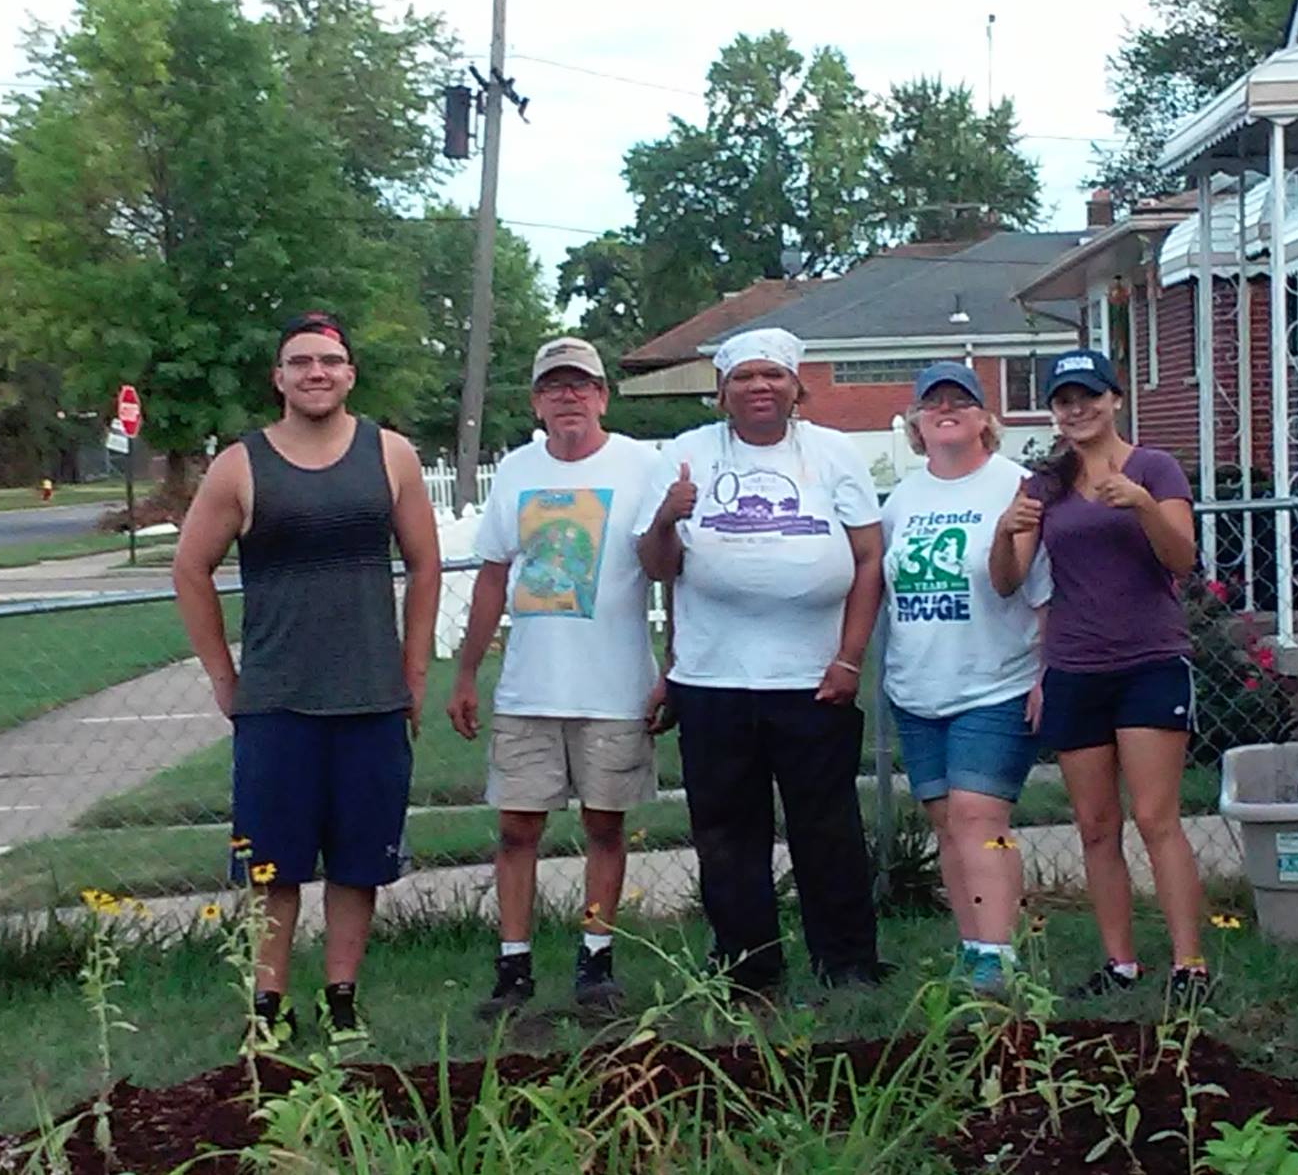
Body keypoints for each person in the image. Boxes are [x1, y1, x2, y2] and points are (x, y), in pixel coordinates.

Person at [172, 310, 442, 1043]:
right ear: (279, 377)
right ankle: (268, 1006)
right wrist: (226, 679)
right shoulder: (241, 464)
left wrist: (413, 671)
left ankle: (342, 998)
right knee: (274, 866)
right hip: (278, 701)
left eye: (329, 360)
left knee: (359, 861)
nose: (315, 373)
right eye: (300, 362)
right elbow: (189, 570)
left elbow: (425, 565)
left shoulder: (391, 456)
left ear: (351, 373)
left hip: (371, 697)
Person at [635, 327, 884, 994]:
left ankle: (848, 965)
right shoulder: (687, 455)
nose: (759, 388)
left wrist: (850, 659)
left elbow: (868, 559)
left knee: (827, 830)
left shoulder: (832, 455)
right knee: (726, 834)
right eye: (743, 377)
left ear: (796, 386)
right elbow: (658, 566)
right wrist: (665, 518)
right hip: (713, 680)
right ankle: (747, 966)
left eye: (772, 375)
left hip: (813, 680)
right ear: (722, 393)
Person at [445, 337, 670, 1017]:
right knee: (518, 828)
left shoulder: (643, 466)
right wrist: (464, 671)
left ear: (603, 395)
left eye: (582, 385)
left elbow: (672, 569)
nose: (568, 397)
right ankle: (513, 966)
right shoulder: (516, 470)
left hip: (615, 686)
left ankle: (596, 959)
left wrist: (676, 668)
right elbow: (491, 577)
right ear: (537, 402)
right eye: (555, 387)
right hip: (529, 689)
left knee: (605, 825)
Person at [993, 348, 1208, 1003]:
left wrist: (1142, 504)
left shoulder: (1153, 467)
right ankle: (1120, 963)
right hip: (1075, 666)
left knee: (1155, 815)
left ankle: (1188, 964)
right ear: (1053, 412)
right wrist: (1004, 533)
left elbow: (1181, 560)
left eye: (1089, 396)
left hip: (1148, 662)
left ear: (1115, 399)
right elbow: (1007, 582)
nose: (1077, 409)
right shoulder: (1044, 484)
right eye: (1064, 400)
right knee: (1094, 822)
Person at [883, 362, 1052, 997]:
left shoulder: (1016, 488)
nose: (945, 410)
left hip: (996, 682)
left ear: (986, 419)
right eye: (932, 404)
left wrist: (1046, 672)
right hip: (918, 685)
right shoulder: (904, 499)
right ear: (917, 425)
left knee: (980, 814)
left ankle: (1000, 954)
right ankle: (971, 944)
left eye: (961, 401)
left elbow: (1037, 591)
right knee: (946, 822)